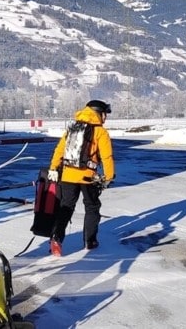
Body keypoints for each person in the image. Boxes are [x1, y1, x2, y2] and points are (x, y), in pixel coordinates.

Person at [47, 100, 115, 256]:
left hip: (67, 175)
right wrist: (108, 177)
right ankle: (89, 241)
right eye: (105, 114)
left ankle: (56, 238)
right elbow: (107, 157)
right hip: (88, 177)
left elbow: (59, 150)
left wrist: (53, 168)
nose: (105, 118)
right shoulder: (100, 132)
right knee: (92, 207)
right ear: (99, 113)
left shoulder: (73, 128)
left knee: (66, 207)